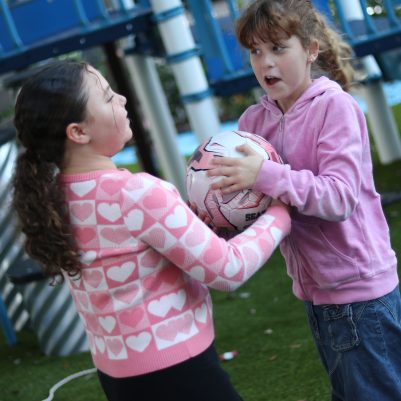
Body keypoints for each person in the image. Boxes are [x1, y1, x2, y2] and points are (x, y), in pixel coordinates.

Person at [11, 60, 290, 401]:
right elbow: (227, 270)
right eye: (108, 96)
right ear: (78, 132)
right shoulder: (136, 193)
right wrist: (280, 213)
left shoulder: (55, 199)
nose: (122, 100)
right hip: (176, 372)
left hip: (118, 378)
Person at [207, 1, 401, 400]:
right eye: (256, 51)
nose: (266, 63)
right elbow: (259, 206)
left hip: (360, 291)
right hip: (315, 293)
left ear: (311, 50)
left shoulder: (335, 107)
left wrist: (262, 173)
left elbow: (339, 197)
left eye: (279, 48)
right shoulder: (252, 125)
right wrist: (218, 211)